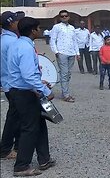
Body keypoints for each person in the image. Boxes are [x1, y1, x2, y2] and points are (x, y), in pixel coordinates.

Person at [8, 17, 56, 176]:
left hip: (23, 89)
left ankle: (44, 159)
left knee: (40, 124)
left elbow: (26, 73)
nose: (40, 30)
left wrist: (38, 81)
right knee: (29, 129)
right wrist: (46, 91)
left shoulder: (18, 44)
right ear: (33, 30)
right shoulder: (26, 48)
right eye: (38, 28)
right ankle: (21, 166)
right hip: (25, 93)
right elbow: (28, 75)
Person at [0, 11, 22, 160]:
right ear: (11, 23)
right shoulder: (13, 42)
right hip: (14, 84)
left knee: (15, 116)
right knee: (14, 118)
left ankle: (14, 146)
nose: (18, 23)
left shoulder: (4, 40)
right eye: (16, 21)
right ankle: (7, 149)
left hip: (7, 82)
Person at [49, 10, 79, 103]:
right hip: (62, 52)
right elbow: (52, 40)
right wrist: (56, 52)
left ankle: (64, 91)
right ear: (60, 18)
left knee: (68, 74)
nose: (64, 17)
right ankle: (66, 94)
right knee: (64, 73)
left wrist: (77, 53)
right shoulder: (56, 27)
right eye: (62, 16)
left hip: (71, 53)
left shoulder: (72, 28)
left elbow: (74, 41)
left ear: (69, 17)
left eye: (66, 16)